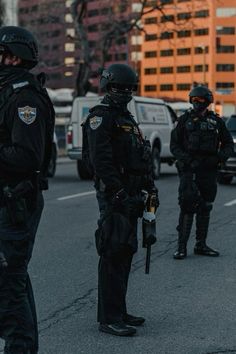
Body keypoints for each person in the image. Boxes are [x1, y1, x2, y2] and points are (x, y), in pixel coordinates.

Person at [84, 64, 159, 336]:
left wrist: (150, 189)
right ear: (107, 87)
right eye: (118, 88)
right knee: (113, 254)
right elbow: (100, 161)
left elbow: (141, 157)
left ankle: (120, 310)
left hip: (132, 195)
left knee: (126, 253)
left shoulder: (127, 119)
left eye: (128, 89)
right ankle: (109, 318)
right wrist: (117, 193)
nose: (124, 93)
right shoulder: (100, 118)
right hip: (115, 197)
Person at [0, 26, 55, 354]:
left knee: (8, 286)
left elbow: (27, 156)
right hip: (7, 199)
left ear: (13, 56)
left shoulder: (25, 96)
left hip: (16, 201)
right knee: (13, 280)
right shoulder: (8, 90)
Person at [170, 85, 233, 260]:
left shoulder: (216, 122)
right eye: (194, 100)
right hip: (190, 171)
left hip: (209, 171)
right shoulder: (184, 120)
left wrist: (219, 158)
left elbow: (229, 144)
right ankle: (181, 247)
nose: (197, 103)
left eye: (200, 100)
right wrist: (186, 160)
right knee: (187, 206)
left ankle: (201, 245)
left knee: (206, 206)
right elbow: (174, 145)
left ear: (207, 101)